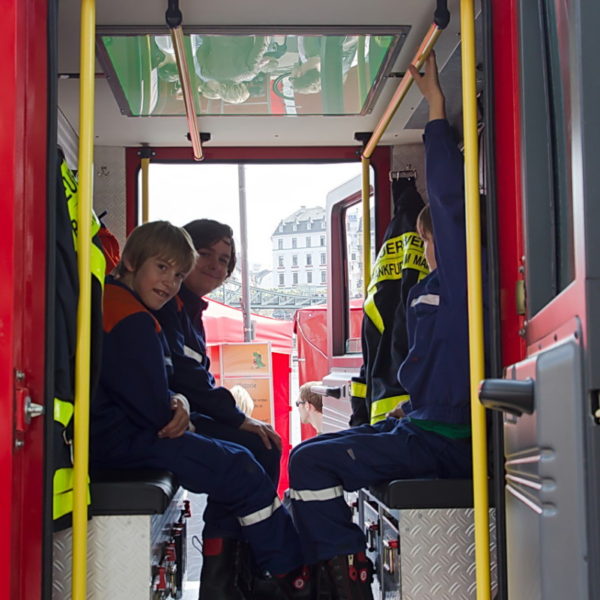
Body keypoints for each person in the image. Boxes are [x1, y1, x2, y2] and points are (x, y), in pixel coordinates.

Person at [287, 52, 475, 600]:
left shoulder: (464, 283)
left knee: (311, 463)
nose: (427, 247)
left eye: (432, 237)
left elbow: (447, 199)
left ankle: (344, 582)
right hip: (417, 427)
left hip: (446, 439)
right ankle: (340, 569)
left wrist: (436, 109)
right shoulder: (424, 290)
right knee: (305, 457)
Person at [90, 221, 310, 600]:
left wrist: (178, 404)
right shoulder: (134, 317)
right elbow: (161, 397)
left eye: (176, 274)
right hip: (127, 437)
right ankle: (288, 577)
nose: (169, 282)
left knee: (246, 457)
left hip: (134, 429)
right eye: (162, 268)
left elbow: (164, 387)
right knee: (239, 466)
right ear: (129, 261)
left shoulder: (138, 308)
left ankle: (236, 576)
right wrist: (177, 409)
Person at [152, 219, 286, 598]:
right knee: (255, 451)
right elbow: (189, 377)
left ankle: (228, 576)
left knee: (262, 447)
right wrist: (239, 419)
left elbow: (195, 381)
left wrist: (238, 420)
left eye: (224, 259)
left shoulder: (188, 310)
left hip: (185, 413)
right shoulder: (167, 304)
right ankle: (244, 574)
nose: (215, 265)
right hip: (168, 421)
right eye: (204, 253)